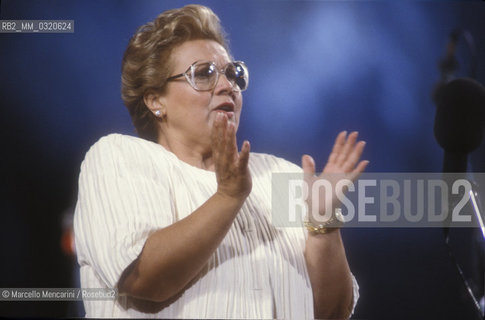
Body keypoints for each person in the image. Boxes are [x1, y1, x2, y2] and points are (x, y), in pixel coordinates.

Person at [74, 4, 368, 319]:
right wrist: (227, 196)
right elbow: (143, 278)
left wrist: (323, 225)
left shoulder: (282, 175)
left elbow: (332, 312)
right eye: (203, 74)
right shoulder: (120, 158)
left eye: (232, 73)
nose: (228, 85)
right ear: (155, 100)